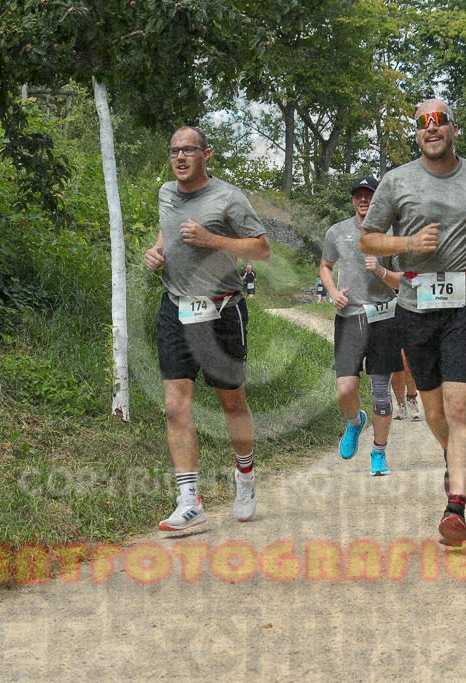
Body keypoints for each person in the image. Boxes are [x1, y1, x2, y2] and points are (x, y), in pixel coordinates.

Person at [360, 99, 466, 546]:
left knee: (459, 407)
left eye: (439, 121)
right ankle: (454, 458)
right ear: (416, 133)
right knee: (433, 410)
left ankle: (456, 506)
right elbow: (368, 238)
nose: (432, 129)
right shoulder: (396, 181)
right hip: (415, 304)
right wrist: (408, 241)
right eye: (423, 124)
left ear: (453, 128)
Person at [143, 126, 271, 531]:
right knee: (175, 406)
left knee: (232, 403)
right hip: (175, 309)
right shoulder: (165, 192)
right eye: (174, 150)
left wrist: (211, 238)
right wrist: (158, 251)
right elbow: (168, 230)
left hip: (221, 311)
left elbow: (261, 248)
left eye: (189, 150)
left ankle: (245, 476)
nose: (180, 157)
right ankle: (188, 500)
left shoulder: (228, 198)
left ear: (206, 155)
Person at [319, 176, 404, 476]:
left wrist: (381, 270)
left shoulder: (392, 234)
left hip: (383, 317)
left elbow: (404, 281)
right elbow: (325, 267)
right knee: (345, 390)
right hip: (350, 318)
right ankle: (355, 422)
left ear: (378, 198)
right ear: (353, 200)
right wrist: (332, 292)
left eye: (370, 195)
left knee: (381, 391)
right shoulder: (338, 232)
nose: (364, 200)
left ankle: (379, 453)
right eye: (359, 195)